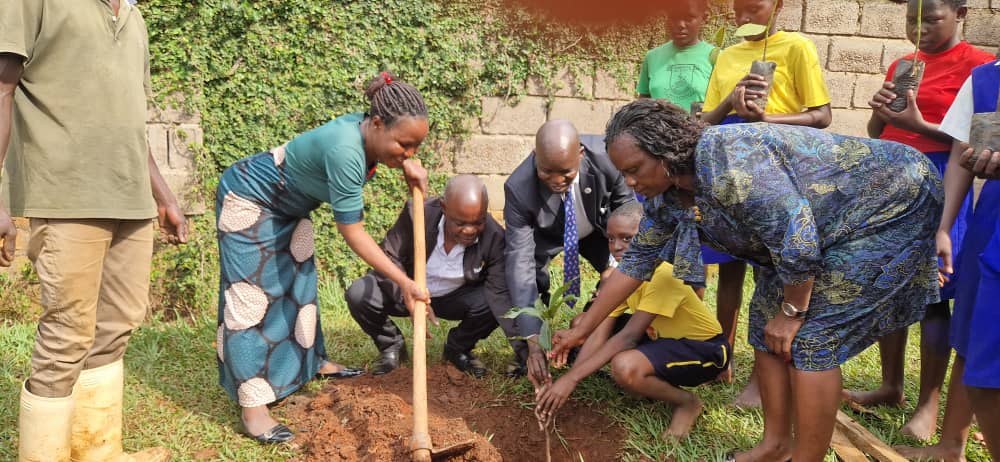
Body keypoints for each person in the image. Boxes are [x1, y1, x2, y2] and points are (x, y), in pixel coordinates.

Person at [550, 99, 941, 462]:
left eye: (635, 170)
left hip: (893, 199)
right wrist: (583, 327)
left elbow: (797, 234)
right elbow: (636, 261)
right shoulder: (665, 195)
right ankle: (775, 445)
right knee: (763, 326)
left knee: (813, 337)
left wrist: (793, 311)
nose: (630, 182)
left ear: (666, 155)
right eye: (624, 173)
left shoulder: (730, 164)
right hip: (817, 226)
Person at [2, 1, 186, 461]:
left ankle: (98, 453)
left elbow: (130, 123)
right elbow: (1, 90)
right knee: (67, 334)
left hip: (130, 197)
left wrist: (163, 196)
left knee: (117, 325)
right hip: (65, 191)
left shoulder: (134, 15)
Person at [215, 72, 432, 444]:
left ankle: (312, 364)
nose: (410, 153)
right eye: (405, 144)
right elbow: (354, 232)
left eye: (416, 147)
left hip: (288, 208)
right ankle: (254, 410)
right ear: (377, 123)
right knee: (249, 301)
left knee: (299, 288)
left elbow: (385, 154)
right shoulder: (346, 151)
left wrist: (406, 168)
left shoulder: (366, 133)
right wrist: (405, 281)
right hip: (250, 199)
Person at [847, 0, 994, 442]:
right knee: (892, 287)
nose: (920, 29)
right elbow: (880, 131)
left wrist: (921, 122)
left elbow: (967, 142)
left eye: (931, 18)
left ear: (961, 13)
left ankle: (927, 403)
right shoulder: (901, 63)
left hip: (938, 182)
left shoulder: (980, 67)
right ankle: (890, 385)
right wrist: (880, 111)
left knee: (934, 296)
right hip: (892, 182)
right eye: (913, 20)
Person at [699, 0, 832, 403]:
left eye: (754, 9)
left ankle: (763, 379)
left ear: (777, 6)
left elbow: (821, 116)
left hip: (781, 176)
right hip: (734, 178)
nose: (744, 18)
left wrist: (765, 119)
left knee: (772, 277)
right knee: (734, 271)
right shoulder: (726, 55)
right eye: (738, 11)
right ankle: (725, 360)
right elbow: (706, 120)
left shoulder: (796, 47)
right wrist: (731, 103)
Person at [535, 201, 729, 439]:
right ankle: (648, 384)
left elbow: (628, 338)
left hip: (706, 350)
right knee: (584, 322)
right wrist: (568, 380)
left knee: (624, 366)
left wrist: (572, 378)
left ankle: (687, 402)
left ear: (651, 236)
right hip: (666, 341)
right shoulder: (624, 277)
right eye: (611, 238)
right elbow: (599, 332)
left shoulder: (665, 274)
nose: (617, 247)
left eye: (627, 238)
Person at [896, 59, 1000, 462]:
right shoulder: (987, 78)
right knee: (973, 334)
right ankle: (949, 445)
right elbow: (962, 147)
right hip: (992, 221)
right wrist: (943, 227)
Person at [503, 119, 634, 389]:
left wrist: (614, 266)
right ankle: (532, 352)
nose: (556, 180)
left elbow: (628, 210)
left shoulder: (607, 159)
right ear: (535, 156)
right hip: (547, 235)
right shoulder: (518, 188)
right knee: (529, 283)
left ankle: (602, 336)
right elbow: (520, 264)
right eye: (546, 171)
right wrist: (532, 337)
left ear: (581, 155)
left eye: (565, 172)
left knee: (620, 280)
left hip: (599, 231)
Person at [346, 174, 505, 378]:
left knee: (496, 300)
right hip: (409, 292)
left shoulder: (494, 236)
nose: (470, 230)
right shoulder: (417, 214)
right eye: (460, 223)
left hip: (455, 297)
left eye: (478, 222)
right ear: (444, 207)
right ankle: (392, 346)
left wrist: (527, 348)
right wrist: (407, 290)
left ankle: (458, 348)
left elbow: (499, 287)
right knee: (359, 293)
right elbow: (389, 255)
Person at [636, 0, 717, 113]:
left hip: (698, 129)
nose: (680, 25)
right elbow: (643, 101)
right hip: (658, 129)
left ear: (704, 17)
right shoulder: (652, 57)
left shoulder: (716, 56)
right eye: (673, 18)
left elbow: (722, 105)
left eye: (689, 18)